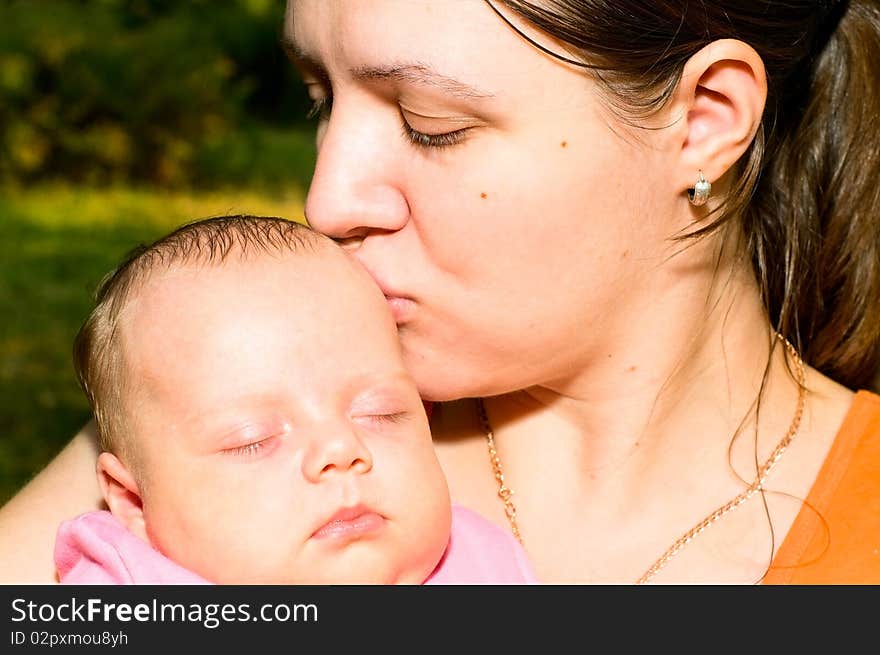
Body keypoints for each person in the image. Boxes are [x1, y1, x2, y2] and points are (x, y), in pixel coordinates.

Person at [1, 0, 879, 584]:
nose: (326, 200)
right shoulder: (236, 392)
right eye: (318, 99)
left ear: (703, 120)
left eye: (433, 127)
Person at [53, 214, 536, 584]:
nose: (340, 451)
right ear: (134, 502)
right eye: (253, 440)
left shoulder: (479, 566)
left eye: (380, 414)